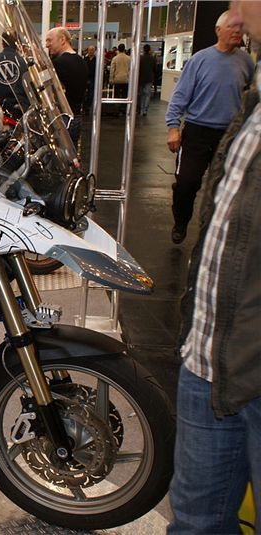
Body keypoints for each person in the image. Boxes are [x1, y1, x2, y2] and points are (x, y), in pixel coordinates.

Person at [167, 2, 261, 532]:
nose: (239, 18)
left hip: (245, 365)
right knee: (196, 520)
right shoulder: (248, 91)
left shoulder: (246, 73)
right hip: (207, 356)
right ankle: (177, 224)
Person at [165, 11, 253, 244]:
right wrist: (173, 126)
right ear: (218, 30)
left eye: (240, 28)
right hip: (197, 132)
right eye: (232, 27)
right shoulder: (200, 60)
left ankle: (211, 230)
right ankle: (181, 221)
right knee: (186, 183)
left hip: (229, 135)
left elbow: (251, 96)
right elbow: (180, 96)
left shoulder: (246, 62)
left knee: (224, 186)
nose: (237, 32)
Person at [45, 27, 88, 146]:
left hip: (62, 120)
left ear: (62, 40)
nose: (47, 45)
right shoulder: (81, 61)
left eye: (49, 40)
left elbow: (42, 84)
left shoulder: (59, 63)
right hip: (76, 118)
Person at [110, 43, 130, 116]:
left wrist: (111, 79)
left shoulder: (115, 58)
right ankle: (123, 109)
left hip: (117, 79)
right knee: (125, 95)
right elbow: (130, 69)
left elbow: (112, 70)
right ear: (124, 49)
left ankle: (116, 110)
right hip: (126, 79)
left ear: (118, 49)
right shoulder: (129, 58)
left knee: (116, 95)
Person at [138, 44, 156, 117]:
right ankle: (145, 110)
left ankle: (141, 109)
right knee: (147, 94)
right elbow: (155, 69)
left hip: (141, 78)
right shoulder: (153, 58)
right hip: (149, 78)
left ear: (143, 49)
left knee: (141, 94)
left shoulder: (140, 58)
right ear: (150, 49)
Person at [83, 45, 98, 112]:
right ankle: (84, 106)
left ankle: (88, 106)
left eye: (92, 50)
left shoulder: (96, 60)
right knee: (84, 93)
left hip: (93, 78)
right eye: (90, 50)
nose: (91, 51)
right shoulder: (84, 59)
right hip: (85, 78)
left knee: (91, 94)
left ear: (94, 51)